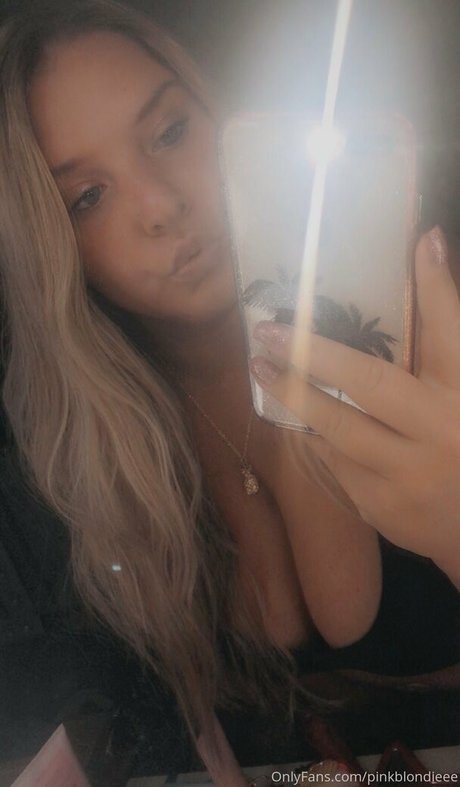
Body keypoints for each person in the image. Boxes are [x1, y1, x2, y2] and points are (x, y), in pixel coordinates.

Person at [0, 0, 457, 782]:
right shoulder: (76, 458)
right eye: (88, 196)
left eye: (171, 132)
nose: (162, 205)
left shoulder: (423, 321)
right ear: (51, 248)